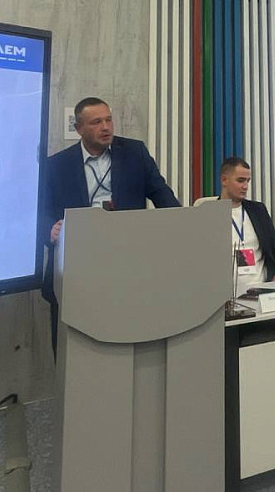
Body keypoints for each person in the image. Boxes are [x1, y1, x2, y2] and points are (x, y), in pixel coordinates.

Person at [42, 97, 180, 352]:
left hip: (128, 265)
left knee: (127, 342)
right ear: (79, 129)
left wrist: (180, 227)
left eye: (108, 120)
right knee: (73, 351)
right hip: (77, 268)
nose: (105, 127)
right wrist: (50, 229)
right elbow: (41, 214)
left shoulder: (135, 153)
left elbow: (163, 196)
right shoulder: (56, 166)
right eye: (96, 122)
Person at [219, 157, 275, 288]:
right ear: (224, 180)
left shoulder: (258, 210)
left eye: (247, 181)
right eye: (240, 180)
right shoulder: (210, 215)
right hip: (225, 292)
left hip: (261, 289)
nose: (245, 186)